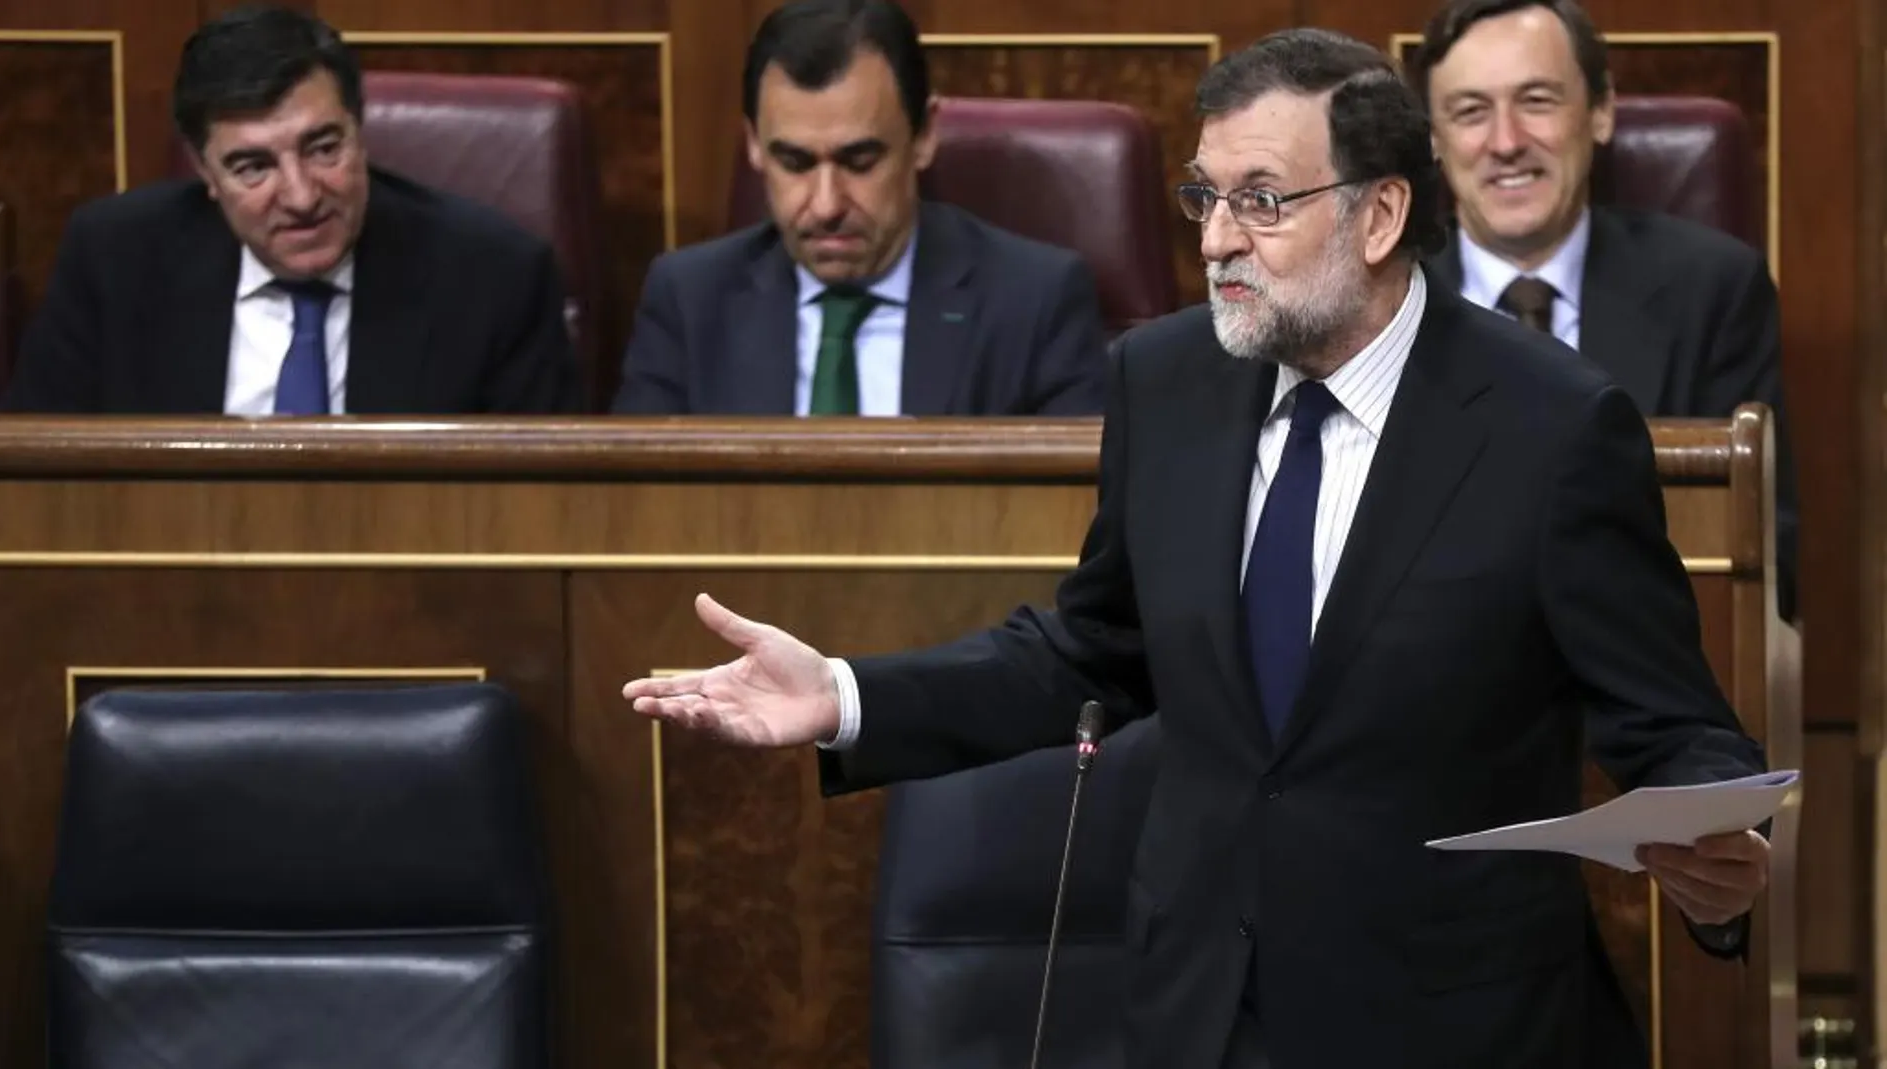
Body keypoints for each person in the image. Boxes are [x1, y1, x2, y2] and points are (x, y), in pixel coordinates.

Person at [624, 29, 1771, 1069]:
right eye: (1204, 196)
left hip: (1455, 1024)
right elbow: (1091, 649)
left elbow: (1676, 727)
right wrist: (840, 694)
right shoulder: (1167, 379)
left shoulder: (1551, 427)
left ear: (1377, 216)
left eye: (1262, 201)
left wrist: (1715, 855)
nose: (1218, 239)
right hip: (1201, 1016)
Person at [1410, 0, 1799, 620]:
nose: (1506, 142)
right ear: (1433, 138)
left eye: (1537, 100)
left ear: (1600, 111)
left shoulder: (1713, 291)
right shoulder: (1380, 308)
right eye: (1471, 112)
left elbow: (1762, 561)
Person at [0, 4, 582, 415]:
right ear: (206, 173)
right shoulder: (114, 261)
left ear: (361, 132)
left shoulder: (493, 277)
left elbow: (536, 510)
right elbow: (38, 480)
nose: (302, 196)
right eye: (253, 167)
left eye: (324, 147)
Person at [609, 0, 1108, 417]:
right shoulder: (690, 301)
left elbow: (1069, 516)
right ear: (754, 145)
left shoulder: (1034, 302)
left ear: (924, 135)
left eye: (860, 161)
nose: (826, 205)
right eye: (795, 162)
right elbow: (639, 513)